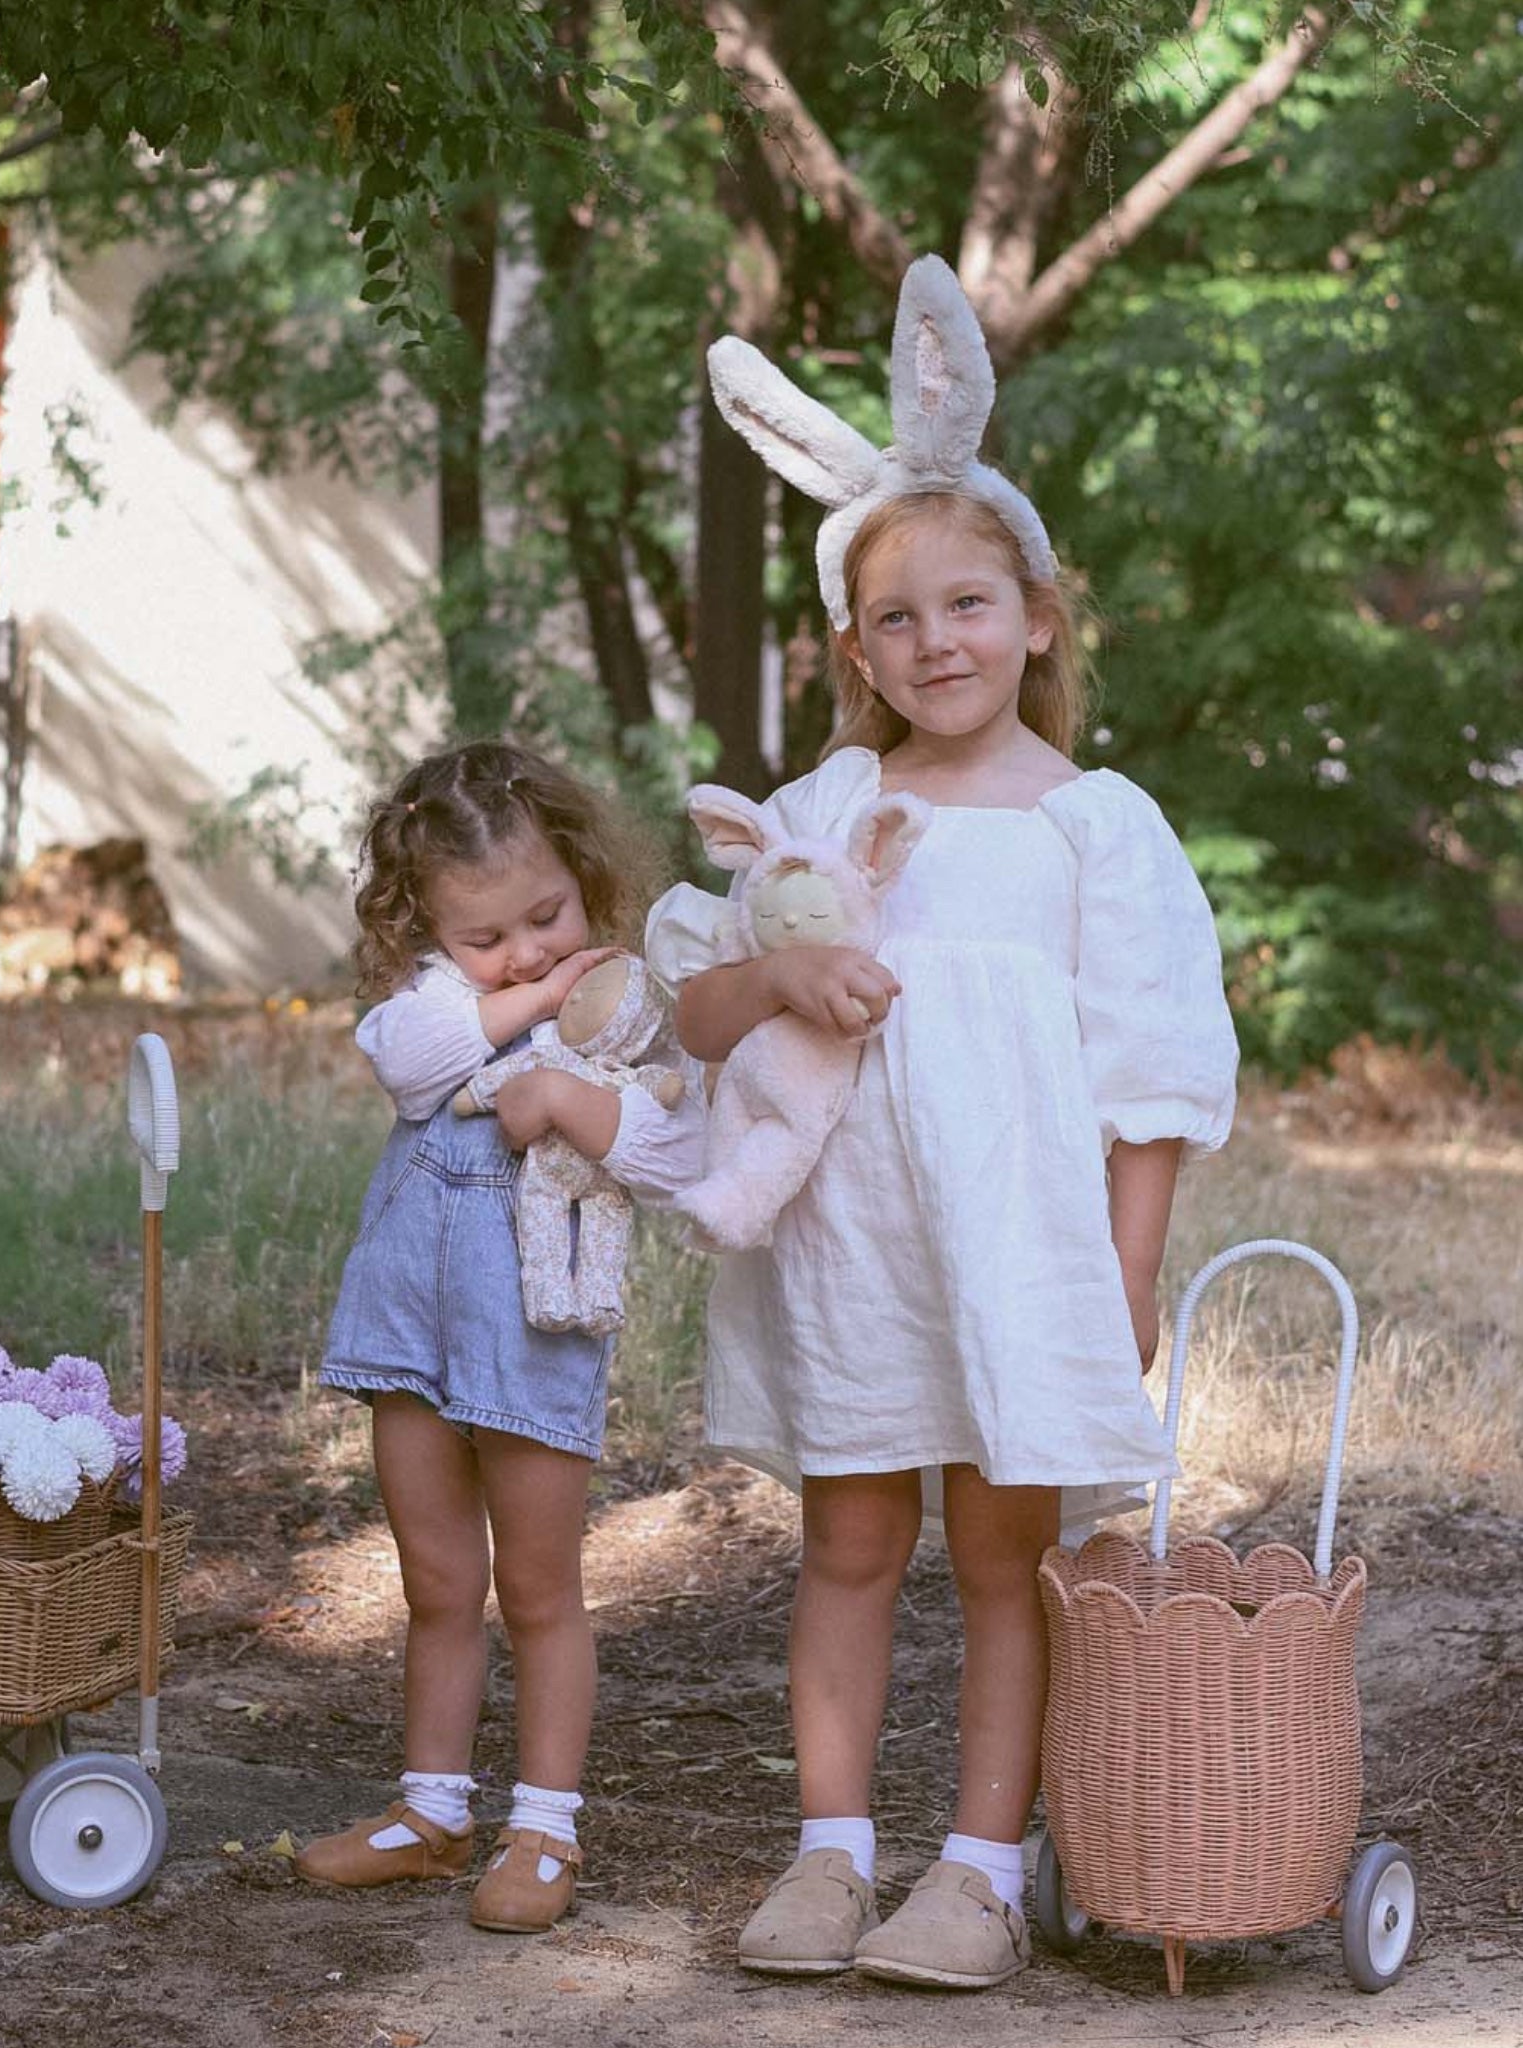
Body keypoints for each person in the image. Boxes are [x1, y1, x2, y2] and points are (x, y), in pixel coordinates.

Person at [646, 255, 1238, 1989]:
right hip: (849, 1248)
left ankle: (977, 1866)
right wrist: (779, 989)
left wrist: (1122, 1274)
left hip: (1012, 1246)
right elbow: (694, 1005)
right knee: (845, 1542)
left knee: (1000, 1554)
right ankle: (829, 1849)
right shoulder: (825, 807)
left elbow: (1151, 1075)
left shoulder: (1094, 826)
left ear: (1040, 613)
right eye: (896, 621)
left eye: (970, 607)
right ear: (854, 648)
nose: (938, 644)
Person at [296, 738, 703, 1933]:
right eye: (486, 939)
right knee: (434, 1578)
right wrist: (524, 1003)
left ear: (588, 878)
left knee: (537, 1586)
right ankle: (430, 1811)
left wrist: (570, 1088)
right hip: (412, 1327)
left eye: (547, 915)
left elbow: (675, 1149)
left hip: (533, 1327)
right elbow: (410, 1066)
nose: (526, 949)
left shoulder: (625, 1018)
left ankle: (544, 1827)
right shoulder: (435, 1007)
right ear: (425, 933)